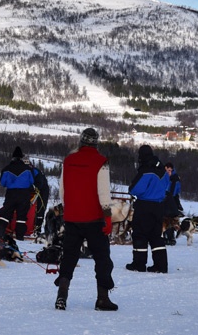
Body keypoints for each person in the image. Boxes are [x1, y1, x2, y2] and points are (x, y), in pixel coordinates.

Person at [54, 128, 117, 312]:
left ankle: (61, 297)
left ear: (81, 141)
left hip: (73, 218)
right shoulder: (101, 162)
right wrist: (107, 217)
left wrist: (70, 209)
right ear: (96, 143)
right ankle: (102, 299)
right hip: (94, 219)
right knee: (102, 259)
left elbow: (62, 190)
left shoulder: (68, 160)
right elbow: (103, 193)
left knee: (69, 257)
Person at [127, 145, 170, 273]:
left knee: (140, 234)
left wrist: (134, 191)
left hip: (144, 205)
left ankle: (139, 264)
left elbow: (135, 189)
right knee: (156, 235)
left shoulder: (146, 170)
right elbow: (167, 187)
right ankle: (161, 265)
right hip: (159, 206)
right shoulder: (162, 170)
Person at [0, 146, 38, 241]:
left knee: (5, 215)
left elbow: (3, 183)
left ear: (12, 157)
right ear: (21, 157)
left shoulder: (6, 169)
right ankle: (19, 237)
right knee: (21, 217)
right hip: (24, 194)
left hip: (11, 194)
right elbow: (32, 181)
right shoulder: (28, 169)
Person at [162, 162, 183, 245]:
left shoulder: (175, 179)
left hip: (171, 200)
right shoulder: (162, 176)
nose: (169, 172)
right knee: (163, 218)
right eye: (167, 170)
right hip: (163, 199)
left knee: (170, 218)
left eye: (170, 170)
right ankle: (163, 236)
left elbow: (177, 190)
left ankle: (171, 236)